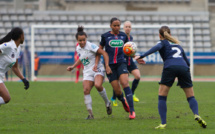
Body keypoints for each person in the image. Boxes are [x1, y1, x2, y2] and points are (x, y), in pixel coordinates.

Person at [135, 26, 207, 129]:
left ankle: (163, 123)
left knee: (162, 96)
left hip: (170, 67)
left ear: (160, 35)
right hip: (184, 68)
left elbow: (154, 49)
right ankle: (196, 114)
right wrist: (184, 72)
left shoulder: (162, 43)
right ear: (170, 34)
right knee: (190, 96)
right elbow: (187, 62)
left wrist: (141, 56)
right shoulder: (178, 46)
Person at [67, 26, 112, 119]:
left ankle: (107, 103)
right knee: (86, 90)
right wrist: (73, 66)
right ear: (77, 41)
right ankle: (90, 115)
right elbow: (82, 58)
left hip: (98, 68)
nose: (82, 42)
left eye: (84, 40)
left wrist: (106, 66)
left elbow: (104, 53)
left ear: (86, 38)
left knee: (98, 85)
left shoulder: (91, 45)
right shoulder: (78, 49)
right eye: (80, 40)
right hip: (87, 71)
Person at [97, 17, 135, 119]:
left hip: (121, 63)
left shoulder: (123, 36)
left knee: (125, 83)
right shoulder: (105, 36)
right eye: (115, 25)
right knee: (117, 91)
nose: (117, 27)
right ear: (110, 26)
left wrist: (135, 57)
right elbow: (100, 51)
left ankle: (132, 111)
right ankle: (123, 100)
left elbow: (128, 50)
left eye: (118, 25)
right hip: (110, 66)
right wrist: (102, 65)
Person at [111, 21, 141, 107]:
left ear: (131, 28)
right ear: (123, 28)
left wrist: (134, 55)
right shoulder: (121, 37)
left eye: (129, 26)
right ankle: (114, 98)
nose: (127, 28)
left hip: (130, 61)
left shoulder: (130, 38)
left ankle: (132, 93)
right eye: (126, 26)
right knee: (119, 82)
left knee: (138, 76)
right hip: (122, 61)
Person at [0, 27, 30, 106]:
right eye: (23, 35)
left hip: (1, 75)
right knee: (6, 98)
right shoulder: (8, 46)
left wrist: (23, 79)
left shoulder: (17, 48)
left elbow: (15, 67)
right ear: (21, 36)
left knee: (3, 98)